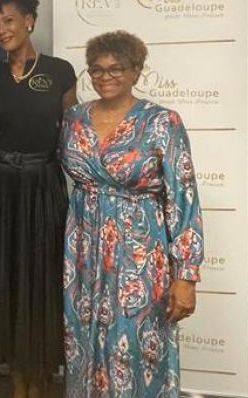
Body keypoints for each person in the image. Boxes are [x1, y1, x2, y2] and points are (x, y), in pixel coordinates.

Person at [60, 30, 203, 398]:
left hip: (139, 253)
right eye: (97, 69)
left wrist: (186, 276)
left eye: (116, 68)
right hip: (83, 251)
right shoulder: (73, 119)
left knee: (136, 344)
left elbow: (184, 198)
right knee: (82, 340)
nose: (105, 77)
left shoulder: (162, 122)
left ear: (136, 71)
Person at [0, 0, 77, 398]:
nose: (1, 30)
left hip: (44, 186)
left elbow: (73, 135)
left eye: (9, 20)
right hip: (1, 191)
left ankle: (40, 375)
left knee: (42, 280)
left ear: (29, 21)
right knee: (7, 279)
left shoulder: (60, 72)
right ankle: (18, 380)